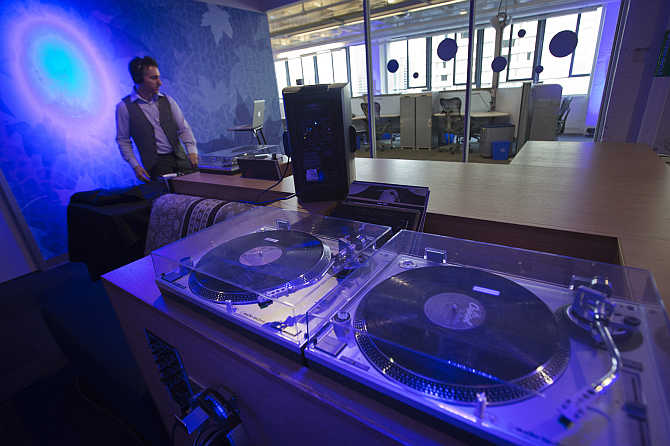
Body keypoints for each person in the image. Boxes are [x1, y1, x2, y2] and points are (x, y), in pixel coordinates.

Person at [115, 56, 198, 182]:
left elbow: (183, 128)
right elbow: (123, 141)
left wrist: (192, 151)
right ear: (138, 79)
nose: (160, 82)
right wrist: (135, 166)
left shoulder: (168, 100)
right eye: (154, 78)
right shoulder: (124, 107)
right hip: (156, 166)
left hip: (181, 159)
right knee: (168, 200)